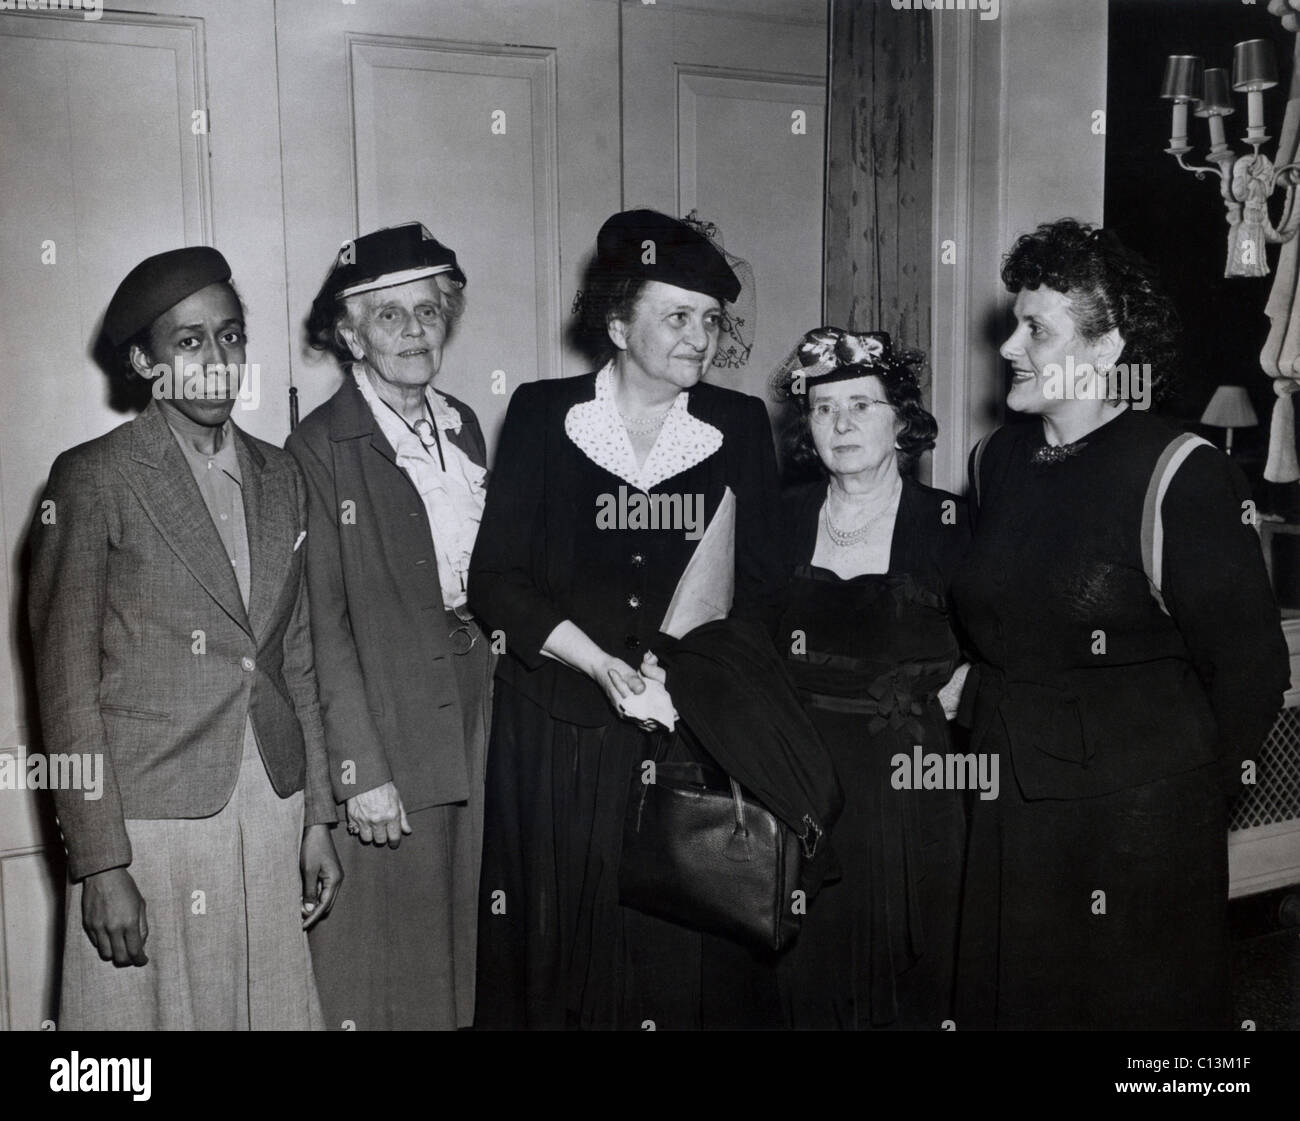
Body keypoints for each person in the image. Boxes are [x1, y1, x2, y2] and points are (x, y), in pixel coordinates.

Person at [951, 218, 1290, 1029]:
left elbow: (1252, 673)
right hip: (1010, 810)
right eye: (1013, 323)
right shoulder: (996, 460)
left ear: (1107, 351)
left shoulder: (1180, 472)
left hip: (1135, 832)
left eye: (1035, 328)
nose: (1008, 347)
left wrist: (1177, 809)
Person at [469, 209, 787, 1029]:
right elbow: (497, 579)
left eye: (711, 320)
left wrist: (686, 678)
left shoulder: (739, 426)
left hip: (688, 731)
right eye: (676, 316)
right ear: (617, 323)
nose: (699, 337)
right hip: (561, 731)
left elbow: (761, 588)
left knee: (678, 959)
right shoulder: (542, 415)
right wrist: (603, 666)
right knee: (566, 952)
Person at [29, 246, 341, 1030]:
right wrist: (101, 861)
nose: (217, 361)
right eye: (189, 341)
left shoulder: (282, 477)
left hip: (270, 804)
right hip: (149, 822)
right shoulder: (92, 477)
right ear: (143, 360)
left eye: (230, 336)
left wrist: (317, 820)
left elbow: (294, 658)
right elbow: (65, 685)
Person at [287, 223, 494, 1030]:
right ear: (350, 335)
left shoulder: (464, 424)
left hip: (475, 707)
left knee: (459, 942)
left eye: (428, 311)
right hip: (387, 729)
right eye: (389, 316)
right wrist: (358, 772)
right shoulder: (316, 448)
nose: (414, 330)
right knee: (389, 962)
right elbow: (321, 626)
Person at [771, 328, 970, 1029]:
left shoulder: (950, 522)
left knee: (908, 977)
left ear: (901, 421)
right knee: (804, 973)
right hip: (799, 777)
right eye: (823, 409)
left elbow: (1009, 639)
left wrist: (953, 688)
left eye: (861, 404)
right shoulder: (779, 517)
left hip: (907, 786)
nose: (841, 423)